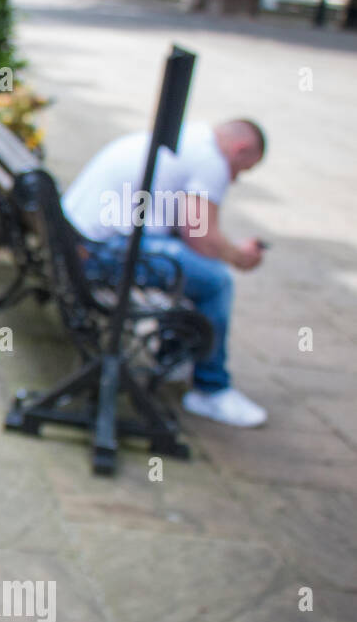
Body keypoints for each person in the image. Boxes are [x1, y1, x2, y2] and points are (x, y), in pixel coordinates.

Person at [61, 119, 268, 427]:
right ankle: (211, 389)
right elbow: (200, 236)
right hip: (100, 252)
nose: (234, 179)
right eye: (241, 170)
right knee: (215, 282)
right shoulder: (211, 160)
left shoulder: (187, 136)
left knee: (190, 267)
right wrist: (238, 256)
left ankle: (172, 355)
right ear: (240, 149)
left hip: (74, 241)